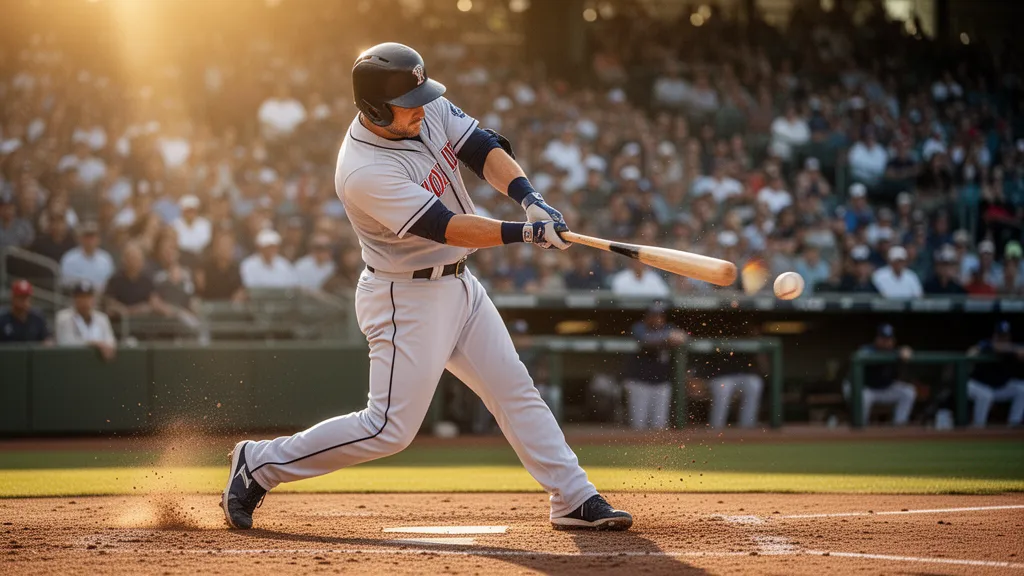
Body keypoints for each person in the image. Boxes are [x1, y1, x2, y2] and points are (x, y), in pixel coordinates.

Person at [221, 43, 631, 532]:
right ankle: (259, 464)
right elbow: (445, 225)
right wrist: (523, 233)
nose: (421, 106)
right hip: (405, 298)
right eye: (408, 102)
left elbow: (481, 145)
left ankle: (573, 496)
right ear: (374, 108)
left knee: (514, 389)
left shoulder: (424, 105)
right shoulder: (362, 170)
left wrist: (530, 199)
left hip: (459, 284)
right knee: (388, 429)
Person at [623, 302, 685, 431]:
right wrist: (666, 338)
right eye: (654, 315)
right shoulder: (639, 327)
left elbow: (684, 337)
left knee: (660, 426)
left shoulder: (668, 328)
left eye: (661, 315)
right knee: (638, 426)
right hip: (640, 383)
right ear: (647, 317)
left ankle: (656, 452)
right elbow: (645, 340)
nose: (658, 319)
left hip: (662, 383)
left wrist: (673, 336)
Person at [846, 324, 917, 425]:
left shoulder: (896, 353)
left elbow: (905, 352)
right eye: (883, 338)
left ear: (893, 340)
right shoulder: (867, 350)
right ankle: (860, 428)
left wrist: (905, 350)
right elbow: (861, 354)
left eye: (889, 339)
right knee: (863, 397)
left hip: (884, 389)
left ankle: (899, 426)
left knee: (908, 392)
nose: (886, 342)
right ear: (877, 339)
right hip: (866, 389)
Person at [966, 321, 1024, 427]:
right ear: (995, 335)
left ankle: (1013, 424)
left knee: (1021, 388)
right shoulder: (986, 344)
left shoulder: (1014, 347)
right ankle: (978, 428)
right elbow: (971, 352)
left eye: (1005, 336)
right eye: (1000, 336)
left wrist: (1014, 351)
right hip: (979, 385)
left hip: (999, 387)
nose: (1002, 339)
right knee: (986, 395)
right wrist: (1010, 349)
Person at [706, 328, 766, 429]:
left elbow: (765, 370)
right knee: (723, 388)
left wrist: (758, 344)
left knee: (754, 383)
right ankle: (716, 427)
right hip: (721, 376)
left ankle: (747, 427)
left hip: (743, 376)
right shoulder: (719, 334)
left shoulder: (750, 340)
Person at [55, 280, 116, 361]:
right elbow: (65, 342)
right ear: (74, 298)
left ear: (93, 299)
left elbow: (111, 342)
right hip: (72, 363)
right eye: (81, 297)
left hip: (98, 364)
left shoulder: (102, 318)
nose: (85, 301)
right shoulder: (63, 317)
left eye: (88, 297)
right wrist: (94, 344)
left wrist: (104, 346)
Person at [60, 221, 116, 291]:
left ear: (99, 239)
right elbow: (65, 283)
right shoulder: (69, 258)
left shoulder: (106, 260)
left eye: (93, 237)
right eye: (87, 237)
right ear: (80, 238)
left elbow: (109, 285)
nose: (90, 241)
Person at [197, 233, 245, 301]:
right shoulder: (204, 269)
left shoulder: (236, 269)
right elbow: (199, 293)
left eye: (230, 246)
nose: (227, 250)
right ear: (216, 248)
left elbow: (239, 290)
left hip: (229, 308)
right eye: (224, 246)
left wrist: (240, 294)